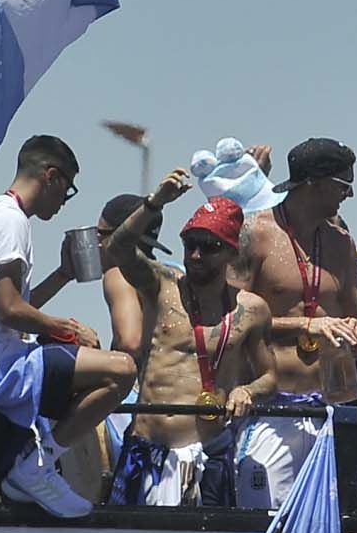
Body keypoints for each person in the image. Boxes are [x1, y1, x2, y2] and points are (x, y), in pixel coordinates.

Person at [0, 135, 143, 518]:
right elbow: (9, 311)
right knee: (121, 371)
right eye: (67, 190)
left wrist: (62, 276)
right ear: (51, 177)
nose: (63, 202)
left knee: (79, 363)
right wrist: (66, 328)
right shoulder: (11, 222)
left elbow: (3, 308)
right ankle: (37, 463)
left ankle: (32, 460)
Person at [104, 195, 274, 507]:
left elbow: (270, 377)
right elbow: (117, 249)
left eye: (209, 246)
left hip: (207, 455)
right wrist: (153, 204)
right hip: (146, 450)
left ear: (231, 252)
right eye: (190, 244)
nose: (196, 254)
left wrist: (247, 391)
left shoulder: (252, 309)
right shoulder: (161, 284)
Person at [235, 137, 357, 509]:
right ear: (314, 183)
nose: (350, 196)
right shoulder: (256, 234)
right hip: (269, 409)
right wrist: (305, 326)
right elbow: (229, 321)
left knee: (326, 531)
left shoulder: (341, 243)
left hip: (327, 407)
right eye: (344, 185)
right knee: (263, 529)